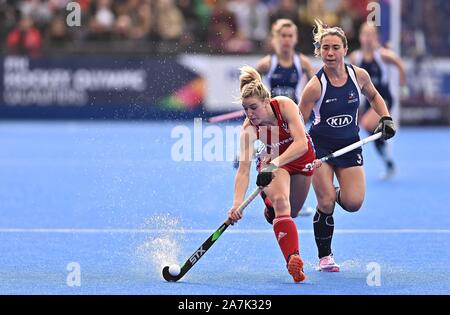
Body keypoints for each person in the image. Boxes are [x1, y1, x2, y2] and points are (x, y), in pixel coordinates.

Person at [299, 20, 396, 272]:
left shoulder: (358, 75)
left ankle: (330, 189)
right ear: (319, 51)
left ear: (344, 49)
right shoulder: (314, 86)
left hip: (350, 146)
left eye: (335, 48)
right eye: (325, 48)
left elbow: (374, 96)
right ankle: (325, 257)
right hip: (320, 149)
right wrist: (299, 153)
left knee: (353, 203)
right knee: (327, 202)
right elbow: (298, 123)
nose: (329, 53)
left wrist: (385, 118)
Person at [228, 65, 316, 283]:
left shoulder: (285, 105)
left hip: (301, 159)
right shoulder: (249, 129)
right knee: (281, 203)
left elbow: (301, 144)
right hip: (275, 166)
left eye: (254, 108)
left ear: (267, 102)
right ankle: (293, 259)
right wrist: (237, 204)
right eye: (245, 108)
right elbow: (243, 170)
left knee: (292, 212)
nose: (250, 114)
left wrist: (273, 164)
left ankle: (270, 208)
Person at [349, 23, 407, 179]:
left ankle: (385, 149)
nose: (368, 38)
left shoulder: (383, 55)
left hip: (384, 99)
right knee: (372, 131)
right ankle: (387, 159)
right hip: (368, 101)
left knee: (367, 124)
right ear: (360, 37)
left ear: (376, 37)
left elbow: (400, 64)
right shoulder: (356, 57)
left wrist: (403, 85)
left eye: (371, 35)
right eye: (365, 34)